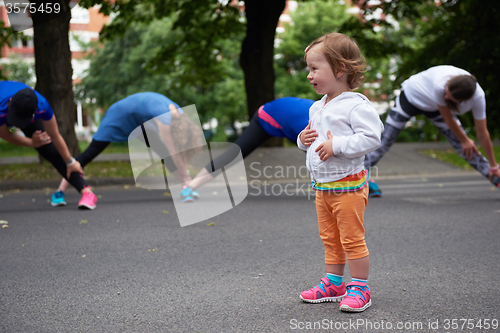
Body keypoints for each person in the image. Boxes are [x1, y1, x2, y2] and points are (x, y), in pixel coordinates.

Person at [297, 33, 383, 312]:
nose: (309, 75)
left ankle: (360, 287)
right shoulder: (316, 106)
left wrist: (338, 145)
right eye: (308, 68)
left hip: (348, 186)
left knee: (351, 239)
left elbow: (372, 137)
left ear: (339, 69)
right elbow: (312, 140)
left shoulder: (355, 105)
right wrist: (302, 139)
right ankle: (334, 283)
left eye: (314, 68)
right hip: (322, 187)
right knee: (330, 238)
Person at [365, 65, 500, 197]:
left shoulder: (478, 97)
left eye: (450, 97)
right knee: (384, 142)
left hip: (435, 108)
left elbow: (482, 133)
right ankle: (359, 177)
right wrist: (465, 140)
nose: (446, 97)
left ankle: (496, 177)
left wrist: (494, 165)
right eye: (446, 93)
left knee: (465, 147)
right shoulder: (440, 85)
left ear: (461, 101)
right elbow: (448, 118)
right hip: (410, 97)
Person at [51, 92, 202, 206]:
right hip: (119, 116)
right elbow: (175, 152)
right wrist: (189, 178)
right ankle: (60, 191)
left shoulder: (180, 114)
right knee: (91, 152)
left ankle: (185, 185)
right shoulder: (166, 122)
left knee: (162, 151)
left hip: (140, 121)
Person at [179, 97, 315, 202]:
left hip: (288, 122)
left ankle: (324, 187)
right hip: (267, 116)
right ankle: (189, 187)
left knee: (319, 155)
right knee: (235, 154)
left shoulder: (328, 119)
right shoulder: (315, 124)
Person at [0, 81, 97, 209]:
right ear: (11, 101)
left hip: (24, 109)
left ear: (35, 111)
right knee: (39, 142)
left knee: (47, 146)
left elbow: (55, 136)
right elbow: (6, 135)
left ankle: (87, 193)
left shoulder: (42, 106)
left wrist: (70, 161)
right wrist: (31, 143)